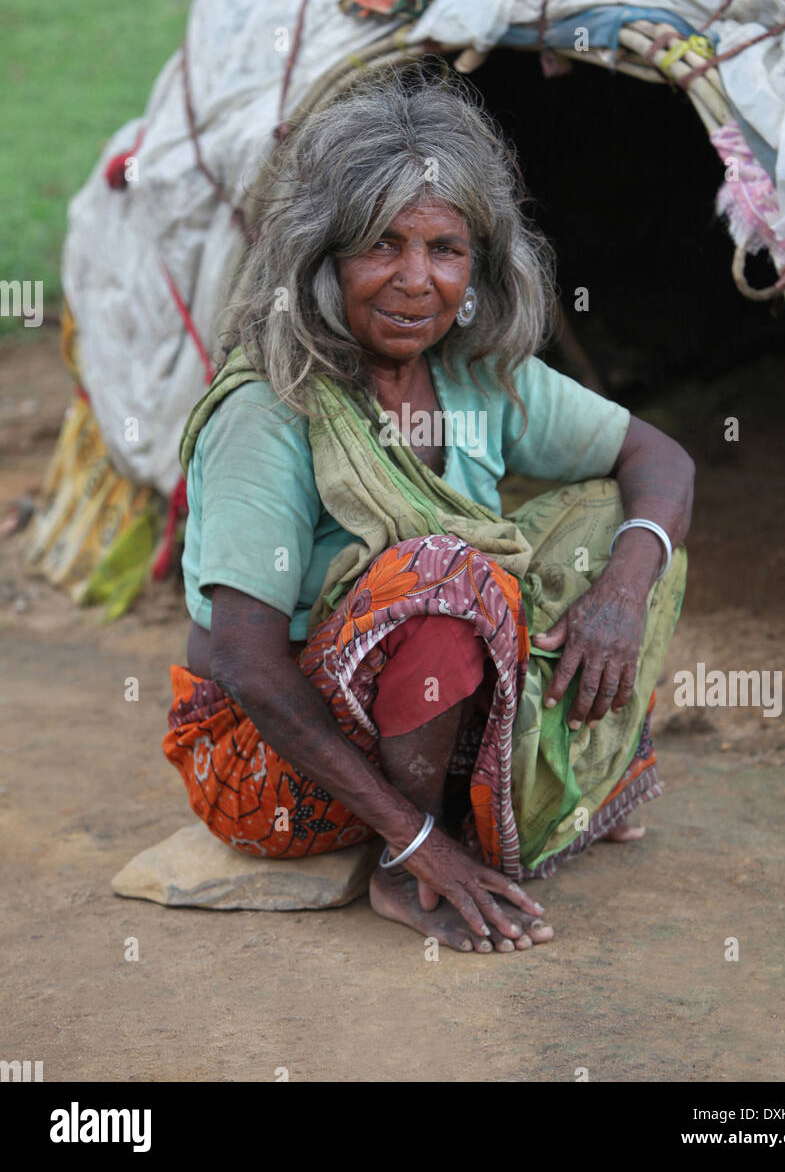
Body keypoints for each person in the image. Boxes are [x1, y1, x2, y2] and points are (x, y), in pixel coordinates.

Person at [164, 68, 694, 955]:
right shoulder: (272, 408)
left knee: (613, 529)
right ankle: (406, 860)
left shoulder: (475, 372)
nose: (417, 281)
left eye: (446, 249)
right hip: (263, 765)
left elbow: (660, 458)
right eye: (382, 244)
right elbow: (248, 665)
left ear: (479, 264)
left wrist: (623, 595)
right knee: (448, 576)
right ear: (320, 256)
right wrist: (422, 844)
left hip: (402, 726)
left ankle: (491, 808)